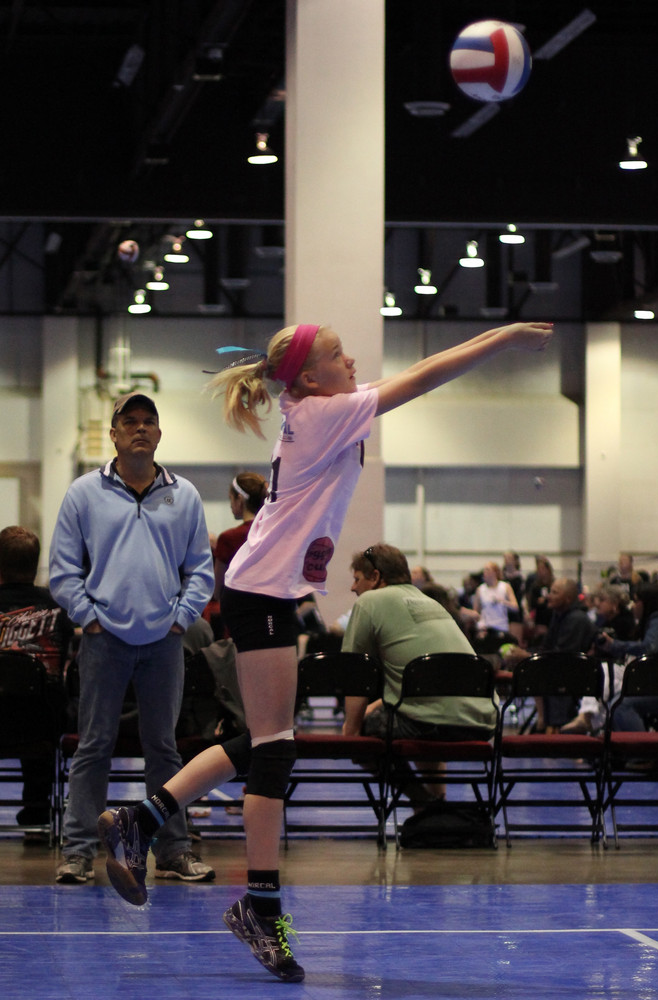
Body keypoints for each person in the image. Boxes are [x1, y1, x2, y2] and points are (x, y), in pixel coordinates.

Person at [95, 318, 553, 983]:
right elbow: (426, 375)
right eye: (339, 354)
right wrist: (505, 338)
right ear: (310, 376)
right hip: (261, 589)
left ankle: (143, 819)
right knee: (275, 749)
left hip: (267, 589)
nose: (352, 360)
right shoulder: (324, 413)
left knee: (264, 742)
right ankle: (256, 904)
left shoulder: (315, 405)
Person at [49, 390, 215, 886]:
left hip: (164, 641)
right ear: (114, 434)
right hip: (104, 640)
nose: (140, 428)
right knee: (94, 746)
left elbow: (201, 570)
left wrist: (181, 618)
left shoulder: (185, 495)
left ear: (159, 434)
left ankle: (173, 851)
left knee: (163, 748)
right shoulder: (83, 493)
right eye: (130, 421)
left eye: (149, 421)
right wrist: (88, 617)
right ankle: (77, 853)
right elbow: (62, 570)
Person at [341, 544, 497, 807]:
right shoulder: (431, 602)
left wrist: (351, 732)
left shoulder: (370, 601)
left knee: (366, 731)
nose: (353, 587)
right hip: (481, 721)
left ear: (376, 577)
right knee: (421, 713)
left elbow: (354, 673)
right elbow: (422, 682)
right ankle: (438, 804)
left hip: (428, 720)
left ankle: (423, 802)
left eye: (357, 579)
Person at [0, 525, 73, 833]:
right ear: (36, 563)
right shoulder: (58, 607)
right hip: (43, 723)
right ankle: (37, 810)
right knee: (41, 701)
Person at [503, 578, 596, 731]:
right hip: (559, 669)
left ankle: (551, 724)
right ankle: (544, 720)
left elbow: (563, 656)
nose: (548, 596)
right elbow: (546, 648)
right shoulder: (558, 615)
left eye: (554, 592)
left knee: (545, 671)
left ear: (567, 599)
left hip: (573, 676)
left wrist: (526, 656)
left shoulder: (576, 619)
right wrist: (526, 655)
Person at [561, 583, 636, 733]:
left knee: (602, 673)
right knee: (599, 678)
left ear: (614, 603)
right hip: (606, 670)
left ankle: (586, 717)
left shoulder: (627, 621)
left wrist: (610, 644)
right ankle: (590, 725)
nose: (597, 604)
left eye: (602, 600)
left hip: (624, 669)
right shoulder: (600, 621)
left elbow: (625, 649)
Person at [602, 583, 658, 732]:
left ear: (646, 603)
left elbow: (649, 648)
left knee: (621, 706)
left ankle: (639, 746)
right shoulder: (653, 621)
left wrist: (615, 645)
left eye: (636, 600)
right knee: (615, 700)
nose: (633, 605)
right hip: (657, 682)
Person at [213, 472, 268, 602]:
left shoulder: (228, 538)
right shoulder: (274, 534)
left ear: (240, 499)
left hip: (239, 608)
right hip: (275, 607)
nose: (230, 504)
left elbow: (217, 591)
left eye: (231, 499)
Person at [473, 561, 519, 636]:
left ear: (495, 572)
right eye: (484, 570)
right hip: (486, 629)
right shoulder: (480, 589)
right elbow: (475, 612)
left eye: (487, 570)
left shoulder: (505, 587)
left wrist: (502, 601)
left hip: (501, 627)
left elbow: (515, 607)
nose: (484, 572)